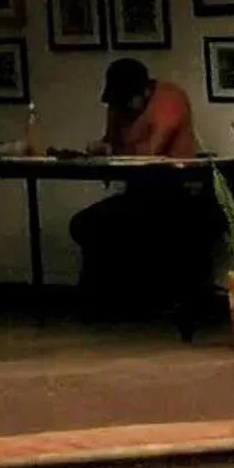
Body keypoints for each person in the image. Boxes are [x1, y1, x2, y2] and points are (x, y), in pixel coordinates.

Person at [69, 57, 216, 324]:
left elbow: (151, 152)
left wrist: (114, 150)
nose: (121, 109)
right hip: (141, 192)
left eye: (127, 101)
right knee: (87, 225)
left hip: (179, 192)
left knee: (140, 226)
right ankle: (105, 302)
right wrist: (101, 149)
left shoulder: (169, 101)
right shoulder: (119, 109)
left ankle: (157, 300)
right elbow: (112, 143)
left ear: (145, 92)